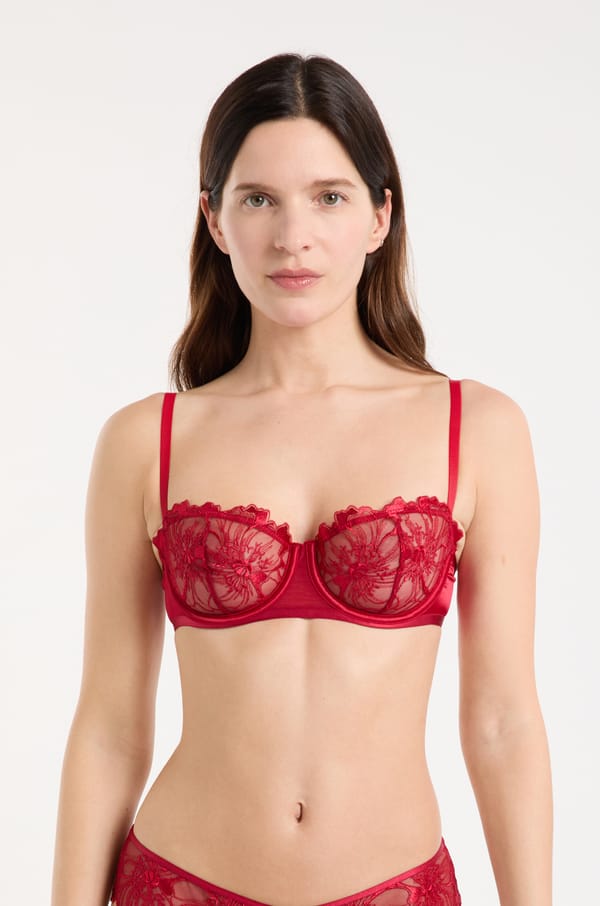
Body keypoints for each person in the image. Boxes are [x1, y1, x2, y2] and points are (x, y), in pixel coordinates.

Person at [51, 52, 553, 906]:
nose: (293, 236)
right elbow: (108, 728)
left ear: (380, 215)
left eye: (329, 197)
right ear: (214, 220)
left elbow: (503, 721)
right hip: (178, 883)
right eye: (258, 199)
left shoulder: (479, 428)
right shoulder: (146, 441)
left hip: (397, 887)